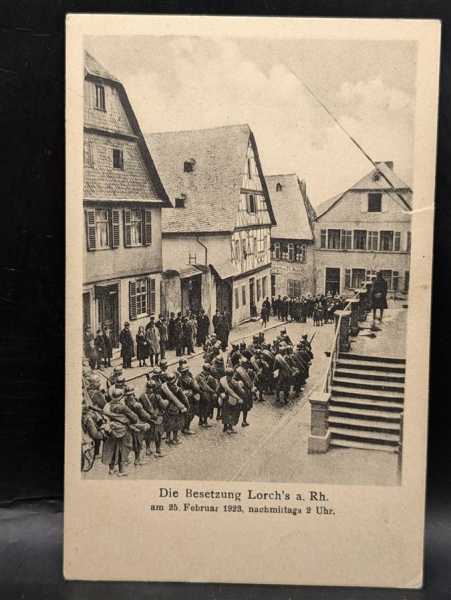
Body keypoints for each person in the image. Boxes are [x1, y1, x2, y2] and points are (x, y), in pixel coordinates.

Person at [102, 386, 138, 476]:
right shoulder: (123, 408)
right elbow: (134, 419)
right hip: (123, 430)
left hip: (110, 430)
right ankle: (122, 471)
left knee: (112, 448)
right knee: (124, 449)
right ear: (121, 397)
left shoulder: (107, 406)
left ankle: (111, 469)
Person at [219, 368, 242, 434]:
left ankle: (229, 427)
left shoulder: (234, 382)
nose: (229, 377)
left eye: (230, 376)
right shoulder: (223, 381)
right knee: (226, 413)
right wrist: (221, 394)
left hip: (233, 400)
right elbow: (218, 390)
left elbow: (238, 391)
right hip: (226, 399)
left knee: (231, 413)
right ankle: (226, 427)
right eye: (228, 376)